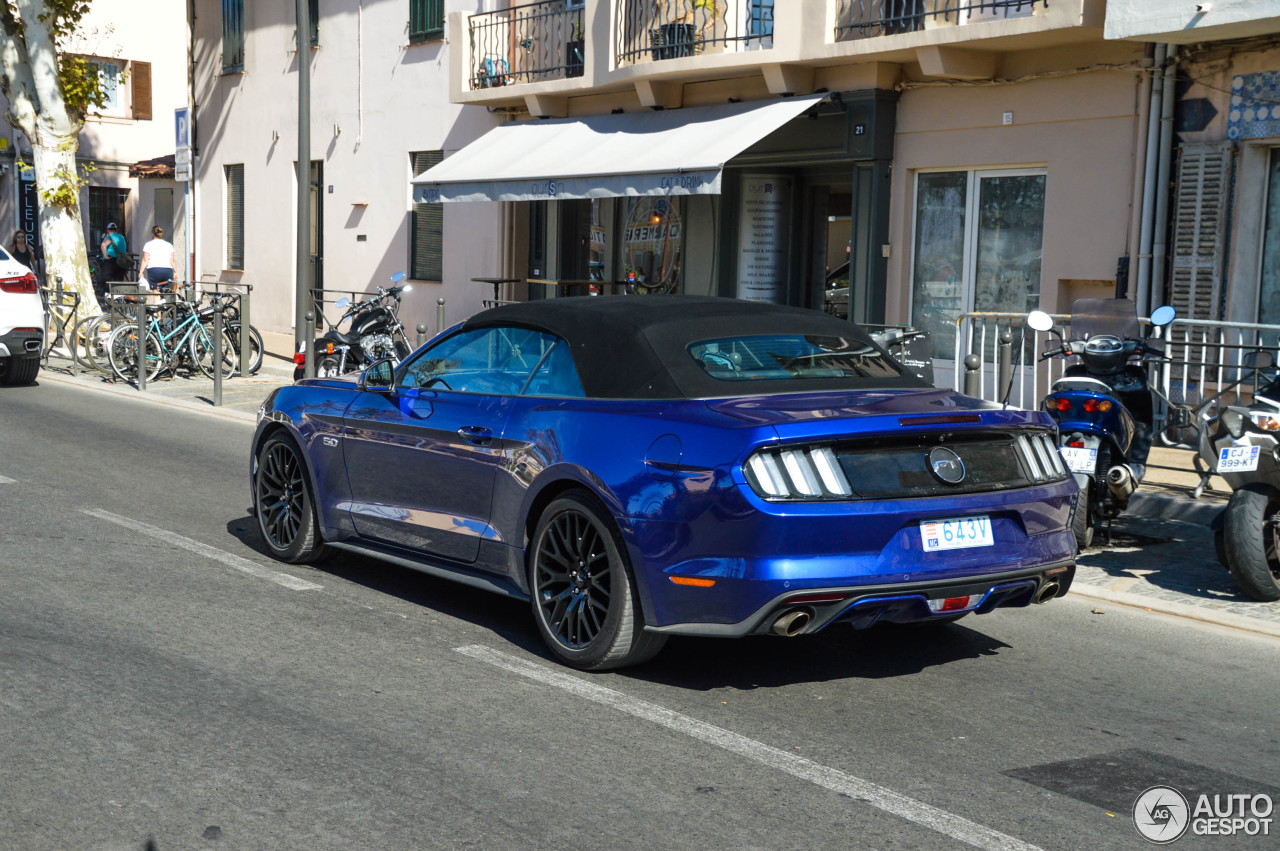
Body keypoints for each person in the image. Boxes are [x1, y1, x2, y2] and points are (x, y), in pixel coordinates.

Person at [138, 225, 177, 291]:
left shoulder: (148, 245)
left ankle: (157, 300)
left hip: (154, 270)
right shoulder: (169, 245)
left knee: (156, 292)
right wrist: (175, 271)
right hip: (167, 270)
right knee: (167, 292)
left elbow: (145, 260)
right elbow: (172, 260)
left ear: (152, 234)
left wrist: (141, 272)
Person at [97, 222, 129, 293]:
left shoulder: (109, 237)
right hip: (121, 262)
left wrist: (105, 256)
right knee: (118, 282)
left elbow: (103, 246)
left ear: (108, 230)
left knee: (106, 281)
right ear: (116, 230)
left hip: (111, 261)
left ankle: (106, 297)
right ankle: (117, 298)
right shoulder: (122, 237)